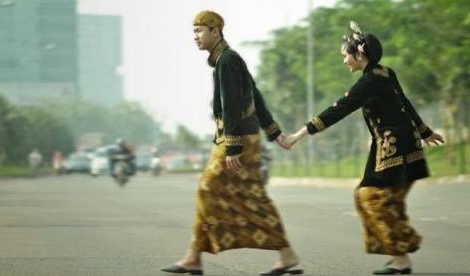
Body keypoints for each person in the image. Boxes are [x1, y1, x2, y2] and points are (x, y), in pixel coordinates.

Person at [284, 21, 445, 275]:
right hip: (407, 143)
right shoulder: (386, 72)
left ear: (360, 54)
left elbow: (337, 110)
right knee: (386, 200)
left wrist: (298, 135)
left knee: (371, 197)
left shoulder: (368, 82)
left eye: (345, 56)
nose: (344, 61)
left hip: (391, 146)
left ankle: (403, 254)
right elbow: (405, 103)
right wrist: (424, 132)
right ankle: (399, 257)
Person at [160, 10, 302, 276]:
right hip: (241, 138)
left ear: (216, 32)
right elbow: (255, 95)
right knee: (226, 194)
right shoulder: (228, 60)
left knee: (212, 190)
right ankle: (194, 257)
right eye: (194, 32)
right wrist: (274, 132)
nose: (196, 37)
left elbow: (233, 105)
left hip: (239, 141)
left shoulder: (227, 61)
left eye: (200, 31)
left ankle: (195, 257)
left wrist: (234, 146)